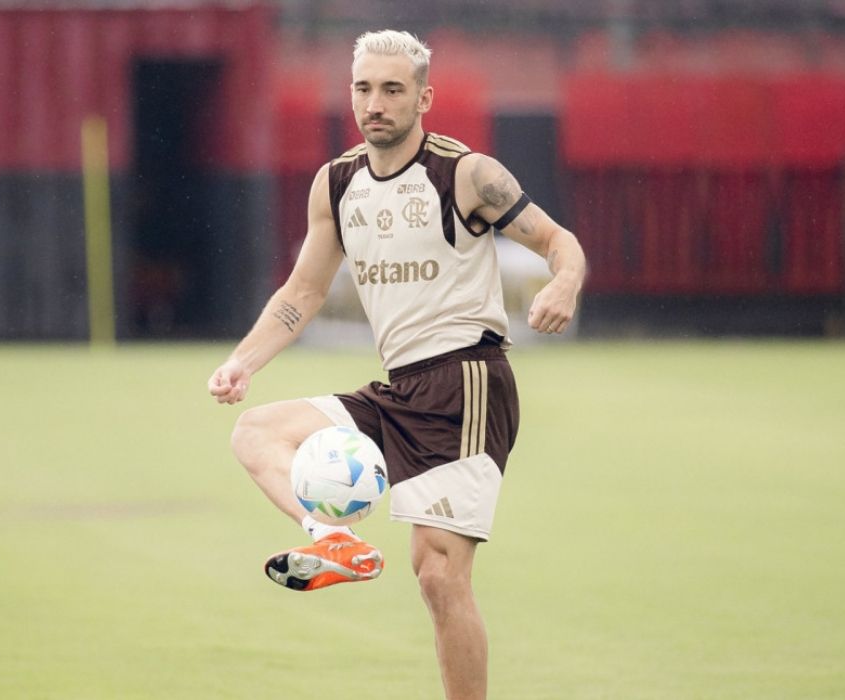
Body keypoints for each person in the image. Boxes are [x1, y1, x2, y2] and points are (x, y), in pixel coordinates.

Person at [207, 29, 586, 700]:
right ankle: (334, 539)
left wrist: (563, 284)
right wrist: (244, 361)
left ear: (423, 97)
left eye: (391, 90)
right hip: (397, 389)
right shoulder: (338, 185)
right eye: (363, 89)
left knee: (439, 576)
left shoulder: (467, 175)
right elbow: (303, 292)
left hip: (468, 382)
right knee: (255, 433)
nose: (375, 103)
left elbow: (560, 241)